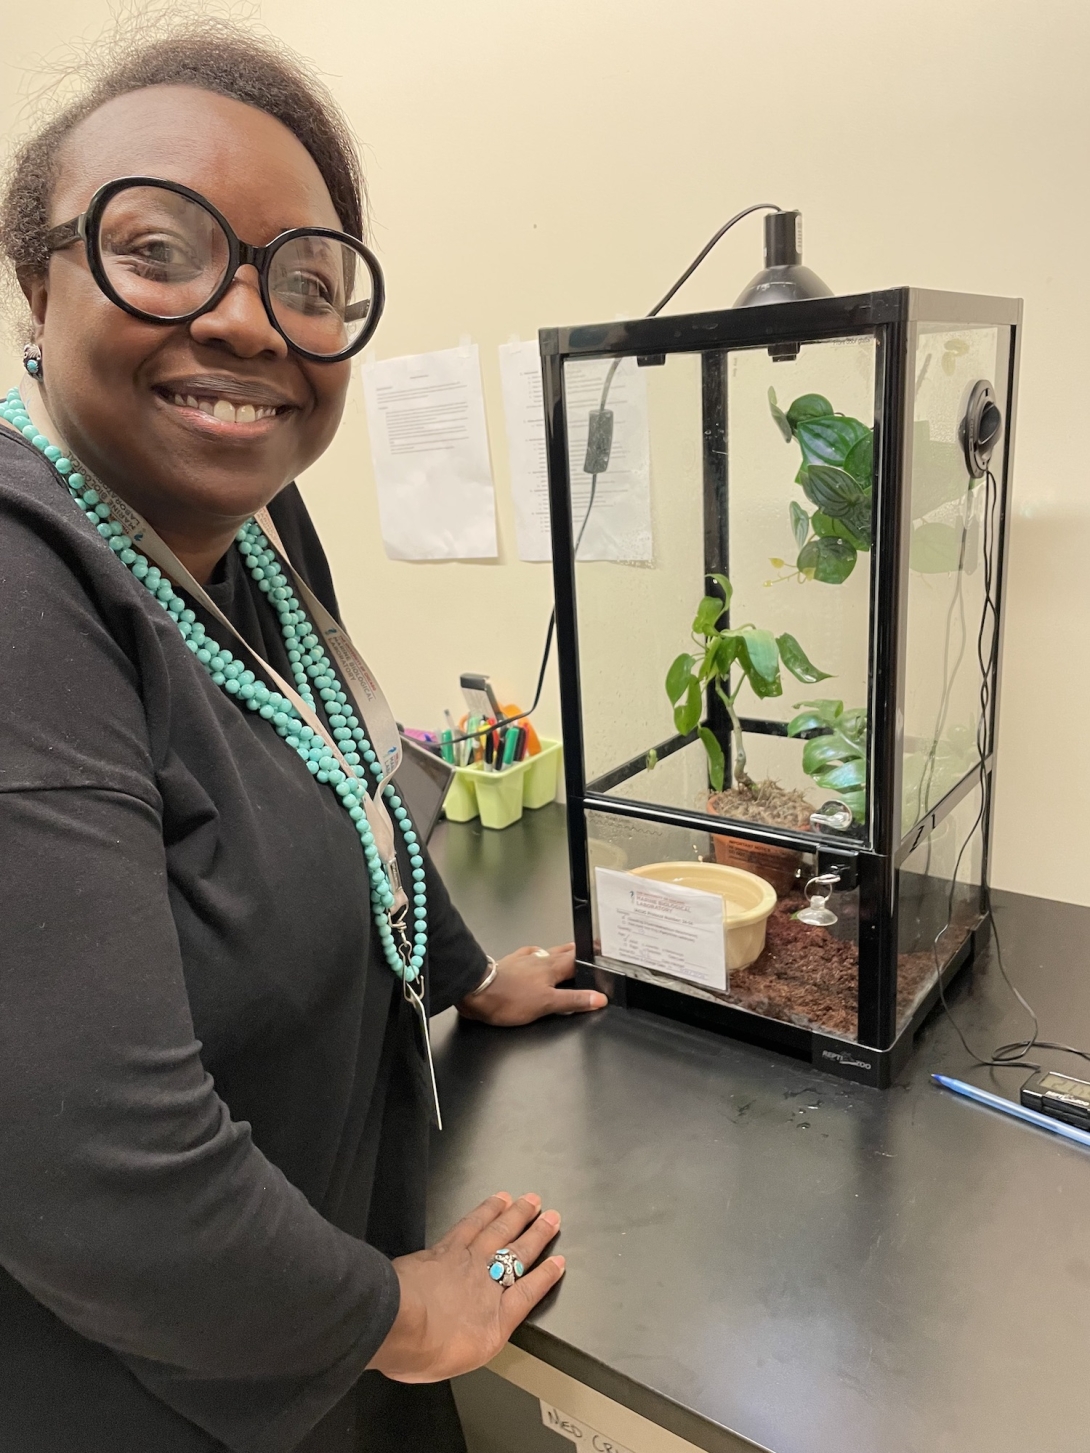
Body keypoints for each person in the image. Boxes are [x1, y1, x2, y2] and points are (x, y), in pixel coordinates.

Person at [0, 19, 606, 1453]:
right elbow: (87, 1165)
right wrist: (396, 1317)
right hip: (146, 1388)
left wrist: (460, 968)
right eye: (160, 250)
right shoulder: (23, 590)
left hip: (320, 1296)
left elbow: (335, 756)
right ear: (37, 281)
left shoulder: (256, 530)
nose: (250, 321)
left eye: (308, 280)